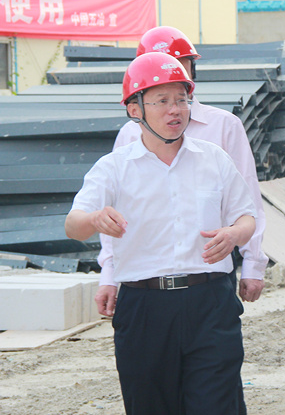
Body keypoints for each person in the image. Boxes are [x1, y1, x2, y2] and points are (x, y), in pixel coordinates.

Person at [66, 52, 256, 415]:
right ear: (134, 109)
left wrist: (234, 234)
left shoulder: (213, 158)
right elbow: (73, 225)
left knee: (217, 405)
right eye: (162, 101)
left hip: (210, 304)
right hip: (145, 308)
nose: (175, 110)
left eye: (182, 100)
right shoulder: (114, 168)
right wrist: (95, 219)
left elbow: (247, 217)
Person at [95, 26, 268, 318]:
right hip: (146, 279)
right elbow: (113, 210)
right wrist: (109, 274)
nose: (167, 70)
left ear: (192, 69)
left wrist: (253, 263)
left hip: (209, 272)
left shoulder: (223, 126)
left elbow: (248, 200)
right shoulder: (130, 134)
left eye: (178, 62)